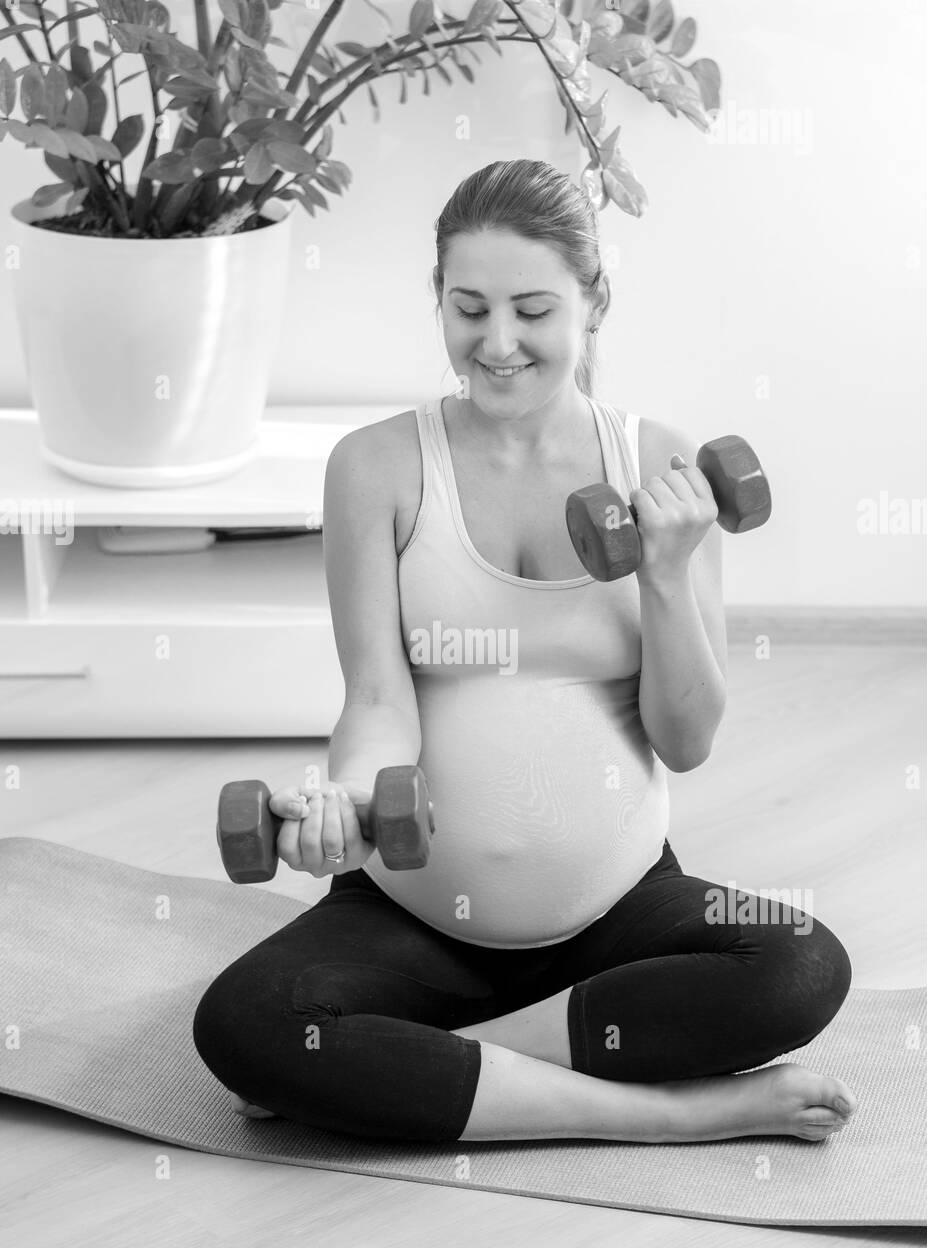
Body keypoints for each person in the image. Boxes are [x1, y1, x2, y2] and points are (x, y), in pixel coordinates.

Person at [193, 159, 856, 1145]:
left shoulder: (665, 468)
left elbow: (686, 741)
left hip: (616, 915)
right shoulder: (376, 467)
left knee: (801, 963)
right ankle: (665, 1115)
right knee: (240, 1024)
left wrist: (667, 574)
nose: (497, 344)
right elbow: (377, 699)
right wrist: (346, 804)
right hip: (417, 918)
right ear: (440, 303)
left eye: (533, 309)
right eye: (469, 308)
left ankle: (440, 1060)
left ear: (594, 303)